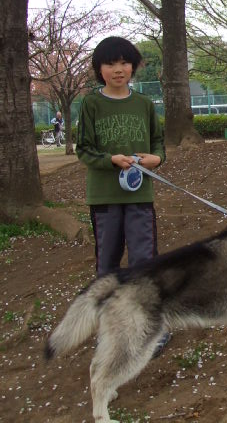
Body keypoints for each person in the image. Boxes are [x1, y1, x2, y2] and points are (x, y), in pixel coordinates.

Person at [76, 36, 166, 277]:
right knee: (107, 263)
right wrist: (110, 160)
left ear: (133, 66)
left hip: (140, 194)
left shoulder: (144, 104)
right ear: (99, 69)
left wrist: (157, 159)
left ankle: (142, 312)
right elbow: (83, 149)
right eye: (110, 64)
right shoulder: (91, 104)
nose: (118, 70)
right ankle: (106, 311)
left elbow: (158, 142)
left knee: (144, 262)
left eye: (125, 63)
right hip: (105, 197)